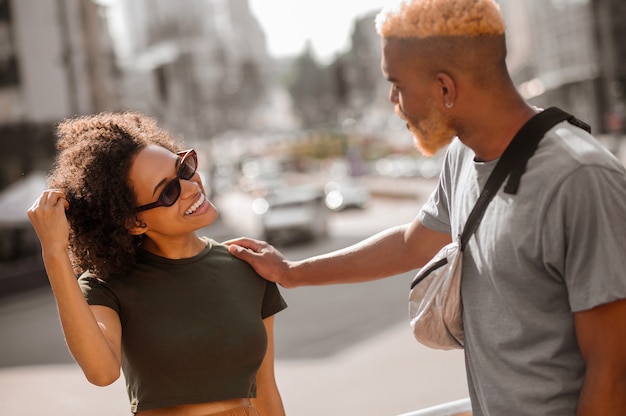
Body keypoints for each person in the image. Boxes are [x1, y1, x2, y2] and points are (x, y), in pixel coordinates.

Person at [225, 0, 626, 414]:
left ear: (445, 89)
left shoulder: (581, 179)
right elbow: (408, 243)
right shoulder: (462, 158)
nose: (393, 100)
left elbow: (613, 375)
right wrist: (291, 273)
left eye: (397, 84)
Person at [27, 111, 287, 416]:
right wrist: (54, 253)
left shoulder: (247, 268)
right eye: (169, 191)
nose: (191, 187)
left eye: (185, 168)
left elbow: (265, 388)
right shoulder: (106, 285)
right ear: (134, 221)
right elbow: (102, 372)